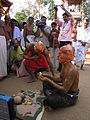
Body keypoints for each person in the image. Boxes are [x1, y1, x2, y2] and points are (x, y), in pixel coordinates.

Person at [38, 44, 79, 109]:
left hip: (69, 95)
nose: (57, 56)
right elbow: (60, 79)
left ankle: (52, 96)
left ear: (66, 58)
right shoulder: (64, 64)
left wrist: (48, 80)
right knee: (45, 82)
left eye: (60, 54)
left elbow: (64, 90)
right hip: (63, 89)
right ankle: (52, 95)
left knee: (48, 100)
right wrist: (47, 76)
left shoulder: (72, 70)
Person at [55, 5, 73, 71]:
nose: (64, 18)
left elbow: (71, 16)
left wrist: (63, 8)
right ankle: (61, 68)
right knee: (61, 54)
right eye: (63, 17)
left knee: (68, 55)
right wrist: (55, 11)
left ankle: (68, 68)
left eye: (65, 17)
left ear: (68, 17)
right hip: (61, 41)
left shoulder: (70, 23)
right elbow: (56, 20)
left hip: (67, 41)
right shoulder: (62, 24)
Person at [0, 8, 7, 80]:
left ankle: (3, 73)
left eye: (1, 13)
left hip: (3, 39)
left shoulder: (2, 21)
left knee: (3, 55)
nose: (1, 14)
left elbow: (5, 31)